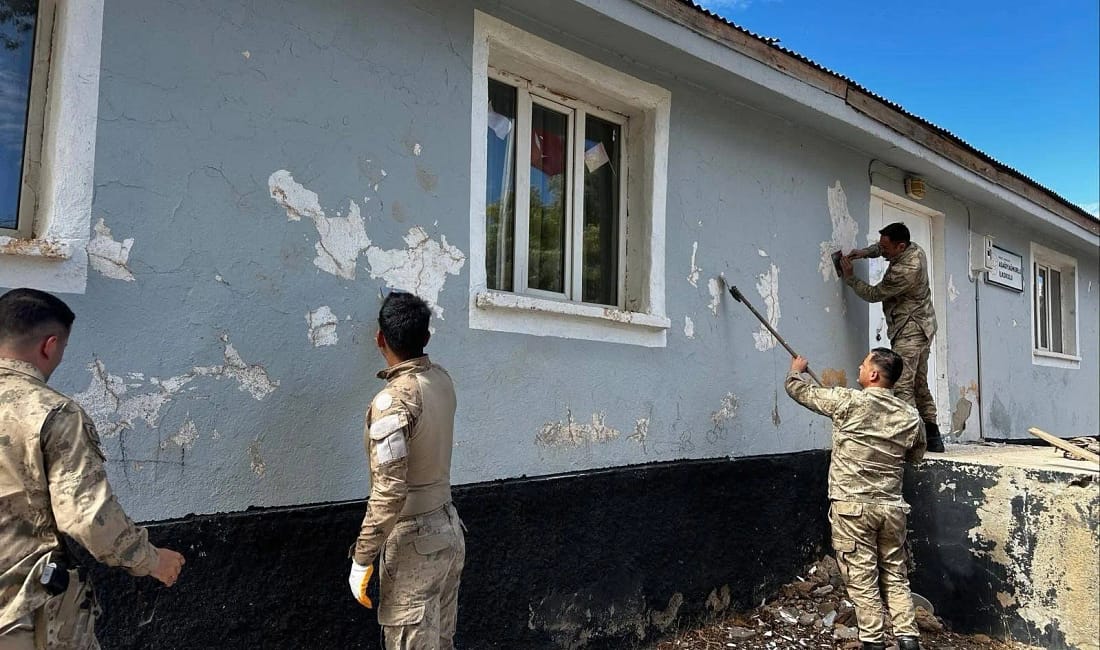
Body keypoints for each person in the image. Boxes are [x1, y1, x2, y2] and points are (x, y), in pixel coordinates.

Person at [0, 288, 185, 650]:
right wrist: (151, 560)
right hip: (21, 612)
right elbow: (86, 516)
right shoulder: (52, 413)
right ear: (50, 346)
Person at [786, 348, 926, 650]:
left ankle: (873, 642)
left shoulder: (848, 401)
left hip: (852, 508)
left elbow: (799, 391)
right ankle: (908, 639)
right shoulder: (910, 415)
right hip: (891, 508)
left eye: (863, 365)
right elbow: (916, 454)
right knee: (895, 575)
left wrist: (796, 369)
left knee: (863, 580)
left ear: (874, 374)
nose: (859, 368)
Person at [347, 291, 465, 649]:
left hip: (416, 542)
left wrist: (362, 559)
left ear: (380, 339)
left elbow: (389, 492)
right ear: (426, 338)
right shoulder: (442, 380)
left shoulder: (393, 402)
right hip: (449, 530)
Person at [841, 222, 945, 452]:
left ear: (900, 246)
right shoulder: (913, 247)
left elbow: (874, 293)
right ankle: (933, 436)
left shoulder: (905, 270)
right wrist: (865, 253)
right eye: (881, 246)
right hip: (922, 325)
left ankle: (912, 441)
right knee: (918, 381)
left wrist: (850, 278)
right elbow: (881, 249)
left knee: (902, 384)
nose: (882, 251)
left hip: (911, 328)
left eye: (886, 248)